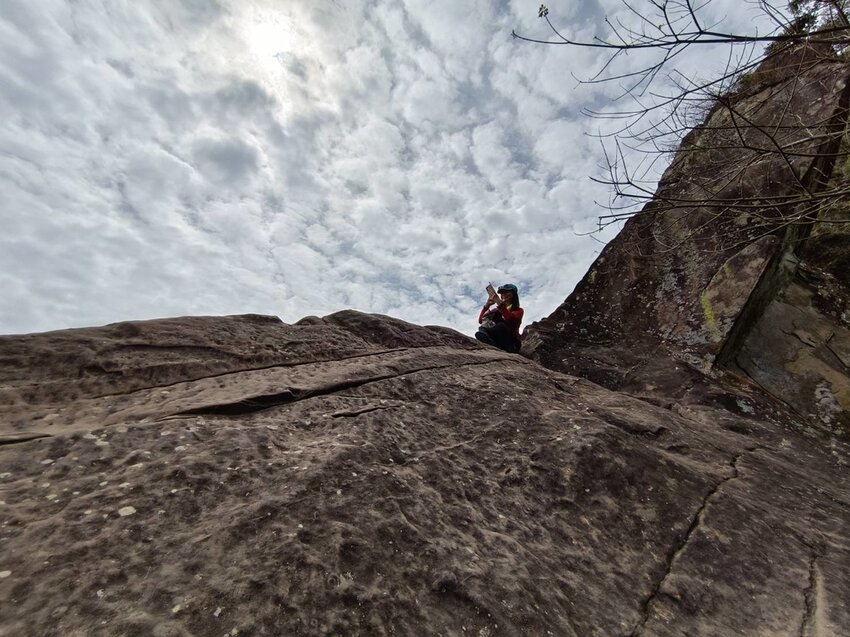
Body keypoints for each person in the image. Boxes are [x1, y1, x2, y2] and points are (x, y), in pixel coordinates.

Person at [475, 283, 523, 353]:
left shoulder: (518, 310)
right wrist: (487, 305)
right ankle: (491, 342)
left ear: (514, 294)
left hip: (511, 340)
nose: (504, 294)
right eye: (502, 293)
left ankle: (511, 347)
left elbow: (510, 319)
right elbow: (481, 320)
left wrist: (501, 306)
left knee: (501, 326)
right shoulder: (496, 310)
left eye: (507, 292)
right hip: (498, 339)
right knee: (482, 328)